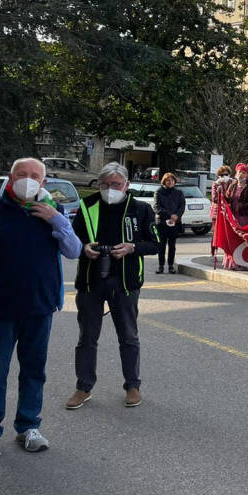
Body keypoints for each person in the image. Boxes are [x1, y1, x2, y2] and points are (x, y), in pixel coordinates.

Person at [0, 158, 82, 457]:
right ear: (10, 177)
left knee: (33, 370)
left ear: (43, 183)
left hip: (40, 307)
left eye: (34, 176)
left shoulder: (53, 213)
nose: (27, 180)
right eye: (22, 174)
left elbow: (74, 251)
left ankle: (28, 426)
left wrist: (56, 219)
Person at [67, 162, 160, 410]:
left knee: (128, 336)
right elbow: (72, 240)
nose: (110, 189)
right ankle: (83, 387)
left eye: (116, 185)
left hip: (125, 282)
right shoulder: (87, 206)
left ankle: (132, 385)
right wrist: (84, 248)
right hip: (90, 281)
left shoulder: (140, 209)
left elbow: (155, 243)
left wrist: (132, 248)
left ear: (126, 185)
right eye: (105, 185)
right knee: (87, 337)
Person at [152, 172, 185, 275]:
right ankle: (161, 266)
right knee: (161, 245)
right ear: (164, 182)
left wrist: (176, 216)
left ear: (175, 182)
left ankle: (171, 266)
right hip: (162, 222)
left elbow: (182, 206)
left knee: (172, 245)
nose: (170, 182)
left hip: (175, 222)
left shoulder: (179, 192)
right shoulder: (159, 192)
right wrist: (170, 215)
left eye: (172, 180)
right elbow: (157, 207)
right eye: (168, 180)